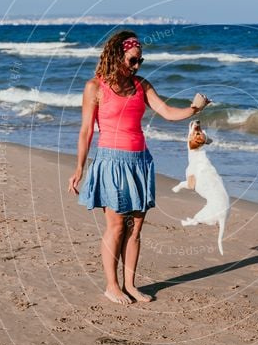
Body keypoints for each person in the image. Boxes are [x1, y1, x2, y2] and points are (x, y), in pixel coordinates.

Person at [68, 30, 210, 305]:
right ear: (116, 56)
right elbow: (86, 130)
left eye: (140, 61)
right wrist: (79, 168)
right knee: (117, 225)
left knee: (136, 228)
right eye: (132, 60)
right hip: (110, 162)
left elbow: (168, 113)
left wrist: (193, 109)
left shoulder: (141, 86)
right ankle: (111, 285)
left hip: (139, 161)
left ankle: (130, 284)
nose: (136, 66)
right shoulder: (95, 88)